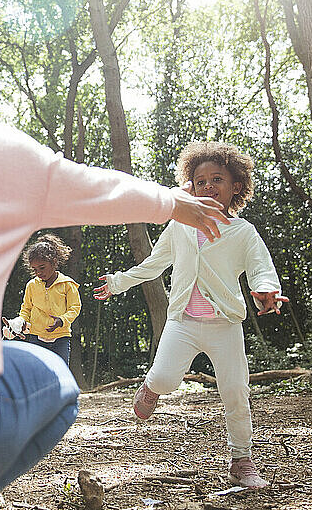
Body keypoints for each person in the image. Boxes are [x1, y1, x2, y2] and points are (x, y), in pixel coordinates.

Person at [0, 47, 230, 510]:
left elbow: (79, 302)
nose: (39, 271)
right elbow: (95, 188)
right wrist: (171, 203)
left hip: (70, 333)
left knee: (48, 359)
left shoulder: (66, 285)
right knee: (53, 379)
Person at [94, 141, 289, 489]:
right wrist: (118, 282)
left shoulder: (243, 232)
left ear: (236, 187)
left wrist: (265, 292)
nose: (209, 186)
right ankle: (151, 387)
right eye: (200, 181)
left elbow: (261, 268)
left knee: (235, 391)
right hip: (182, 322)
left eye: (218, 179)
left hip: (224, 325)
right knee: (168, 380)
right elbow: (154, 264)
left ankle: (241, 460)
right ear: (191, 187)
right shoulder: (180, 226)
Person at [2, 234, 81, 365]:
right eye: (35, 269)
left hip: (61, 338)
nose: (39, 272)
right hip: (36, 338)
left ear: (54, 262)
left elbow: (75, 308)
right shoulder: (32, 285)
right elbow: (26, 310)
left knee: (60, 371)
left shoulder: (67, 284)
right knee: (37, 372)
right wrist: (18, 323)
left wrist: (62, 320)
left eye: (42, 267)